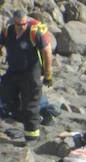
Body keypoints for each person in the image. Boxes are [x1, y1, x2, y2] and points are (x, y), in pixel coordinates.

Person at [0, 10, 53, 142]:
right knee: (6, 95)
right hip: (13, 71)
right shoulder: (8, 31)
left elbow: (47, 51)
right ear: (14, 22)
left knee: (30, 104)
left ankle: (31, 137)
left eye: (24, 24)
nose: (21, 27)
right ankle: (24, 116)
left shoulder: (34, 33)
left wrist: (48, 74)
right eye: (18, 24)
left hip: (31, 72)